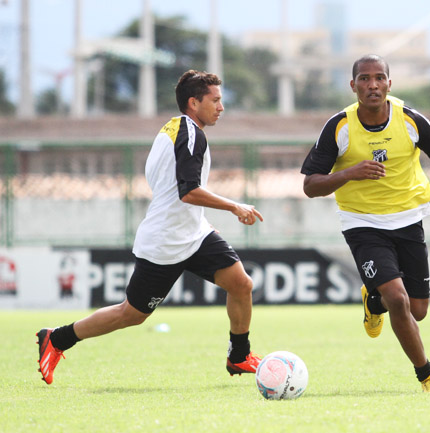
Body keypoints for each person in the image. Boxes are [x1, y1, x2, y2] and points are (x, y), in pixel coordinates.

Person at [36, 70, 264, 385]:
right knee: (131, 314)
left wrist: (200, 221)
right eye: (215, 100)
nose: (221, 107)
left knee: (241, 284)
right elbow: (188, 191)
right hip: (166, 242)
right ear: (194, 102)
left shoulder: (171, 129)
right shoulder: (191, 134)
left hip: (193, 234)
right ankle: (58, 338)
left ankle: (239, 356)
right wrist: (234, 206)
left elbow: (171, 188)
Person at [300, 54, 430, 393]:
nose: (372, 85)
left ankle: (373, 300)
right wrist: (348, 173)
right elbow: (310, 185)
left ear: (390, 83)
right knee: (399, 301)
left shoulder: (410, 120)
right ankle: (427, 375)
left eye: (378, 78)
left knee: (417, 311)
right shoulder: (339, 126)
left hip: (408, 219)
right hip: (362, 223)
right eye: (364, 78)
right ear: (353, 84)